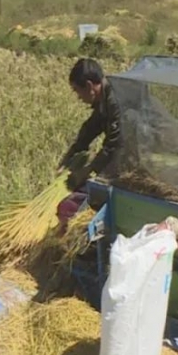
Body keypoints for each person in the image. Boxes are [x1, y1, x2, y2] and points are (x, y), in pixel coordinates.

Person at [55, 58, 122, 233]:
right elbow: (90, 129)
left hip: (152, 146)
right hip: (130, 149)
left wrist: (87, 171)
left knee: (98, 186)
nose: (78, 97)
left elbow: (113, 146)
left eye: (77, 91)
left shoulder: (116, 100)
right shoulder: (104, 98)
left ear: (90, 86)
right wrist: (68, 159)